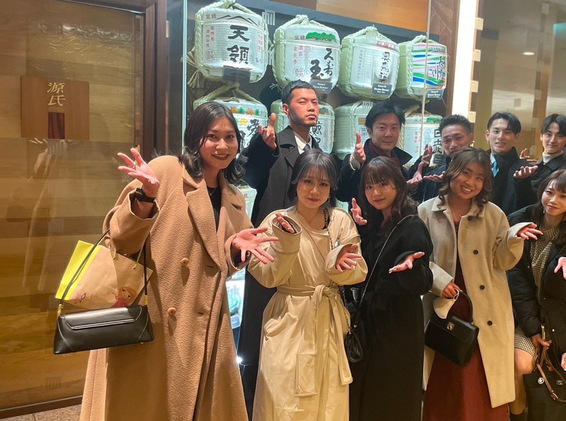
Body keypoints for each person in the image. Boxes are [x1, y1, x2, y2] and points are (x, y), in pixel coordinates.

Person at [80, 102, 277, 420]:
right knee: (144, 406)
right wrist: (146, 198)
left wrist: (234, 251)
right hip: (154, 315)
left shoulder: (234, 198)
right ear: (195, 138)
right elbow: (119, 240)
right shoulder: (166, 171)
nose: (222, 145)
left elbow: (217, 264)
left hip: (204, 324)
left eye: (230, 137)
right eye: (212, 136)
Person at [419, 147, 542, 420]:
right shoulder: (426, 211)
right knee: (446, 379)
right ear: (452, 172)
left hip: (485, 310)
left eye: (479, 177)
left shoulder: (494, 214)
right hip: (444, 307)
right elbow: (418, 259)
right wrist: (439, 281)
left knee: (482, 380)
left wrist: (513, 238)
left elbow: (503, 261)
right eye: (465, 173)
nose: (471, 182)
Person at [248, 149, 367, 420]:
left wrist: (337, 266)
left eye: (323, 183)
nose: (315, 190)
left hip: (329, 322)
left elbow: (359, 271)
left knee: (328, 403)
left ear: (331, 187)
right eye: (308, 181)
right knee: (282, 398)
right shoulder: (277, 220)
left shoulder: (340, 220)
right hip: (288, 319)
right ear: (296, 182)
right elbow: (268, 277)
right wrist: (287, 244)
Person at [237, 80, 321, 411]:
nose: (311, 107)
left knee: (295, 335)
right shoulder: (273, 143)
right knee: (260, 330)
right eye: (303, 101)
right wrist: (262, 147)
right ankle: (250, 406)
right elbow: (249, 175)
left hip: (305, 255)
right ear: (286, 109)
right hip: (269, 249)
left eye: (314, 101)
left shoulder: (318, 151)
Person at [507, 170, 566, 420]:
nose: (554, 200)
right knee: (520, 365)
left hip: (559, 317)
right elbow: (517, 285)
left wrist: (561, 265)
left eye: (563, 196)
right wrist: (532, 329)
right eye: (549, 192)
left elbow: (558, 291)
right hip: (522, 314)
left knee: (565, 371)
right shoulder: (522, 224)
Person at [347, 157, 433, 421]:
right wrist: (358, 230)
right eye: (369, 186)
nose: (376, 192)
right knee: (368, 393)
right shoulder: (374, 223)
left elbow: (424, 280)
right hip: (370, 321)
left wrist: (410, 267)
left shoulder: (412, 224)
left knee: (393, 394)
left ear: (399, 184)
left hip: (398, 324)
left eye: (383, 184)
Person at [336, 102, 411, 205]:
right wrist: (355, 163)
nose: (389, 134)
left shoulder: (397, 160)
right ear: (370, 132)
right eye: (382, 128)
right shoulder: (359, 161)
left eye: (394, 128)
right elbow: (342, 194)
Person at [408, 114, 475, 202]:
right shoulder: (434, 176)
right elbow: (420, 203)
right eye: (447, 140)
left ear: (471, 138)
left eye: (458, 138)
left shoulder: (482, 171)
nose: (453, 145)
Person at [513, 114, 566, 195]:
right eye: (549, 134)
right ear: (541, 136)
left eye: (559, 136)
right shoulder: (533, 166)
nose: (552, 140)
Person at [485, 112, 535, 214]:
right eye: (496, 131)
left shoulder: (525, 171)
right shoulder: (476, 164)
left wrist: (522, 183)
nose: (500, 137)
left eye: (507, 132)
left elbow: (529, 208)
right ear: (488, 135)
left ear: (516, 137)